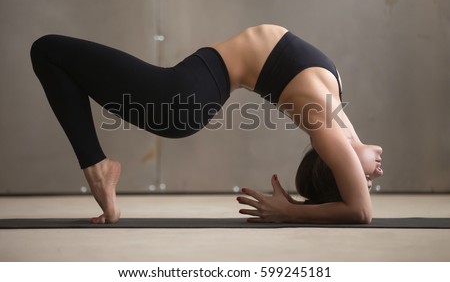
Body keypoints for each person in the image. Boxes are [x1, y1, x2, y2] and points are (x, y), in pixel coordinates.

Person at [30, 24, 383, 224]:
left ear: (334, 164)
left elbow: (360, 211)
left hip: (183, 97)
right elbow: (354, 199)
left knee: (48, 50)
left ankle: (97, 169)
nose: (373, 175)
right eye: (367, 179)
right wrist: (307, 207)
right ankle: (97, 167)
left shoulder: (325, 126)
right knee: (52, 55)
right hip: (193, 89)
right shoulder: (336, 108)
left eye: (360, 178)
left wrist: (291, 210)